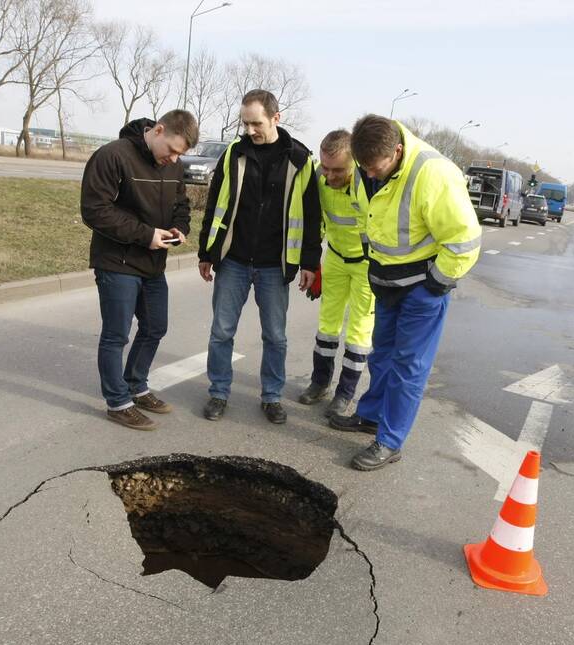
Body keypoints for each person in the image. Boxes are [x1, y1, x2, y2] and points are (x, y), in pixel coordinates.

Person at [329, 115, 480, 470]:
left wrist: (434, 285)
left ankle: (389, 441)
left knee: (408, 367)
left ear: (396, 151)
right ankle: (370, 416)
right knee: (381, 355)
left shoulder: (433, 174)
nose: (368, 175)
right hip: (385, 283)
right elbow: (370, 222)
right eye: (363, 167)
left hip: (421, 288)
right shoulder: (367, 169)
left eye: (374, 167)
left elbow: (464, 241)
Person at [197, 89, 321, 424]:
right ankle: (218, 392)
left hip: (273, 265)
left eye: (256, 123)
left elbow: (311, 217)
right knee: (222, 331)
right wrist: (207, 251)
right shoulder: (233, 154)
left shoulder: (300, 160)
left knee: (275, 336)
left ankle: (271, 397)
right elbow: (215, 204)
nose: (249, 130)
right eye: (245, 123)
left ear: (276, 118)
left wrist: (309, 262)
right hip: (233, 260)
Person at [80, 109, 198, 430]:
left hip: (152, 263)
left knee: (155, 326)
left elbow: (180, 205)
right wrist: (147, 235)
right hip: (116, 261)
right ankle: (117, 402)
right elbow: (94, 210)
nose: (174, 160)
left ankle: (136, 384)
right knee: (116, 335)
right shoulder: (112, 156)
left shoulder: (172, 166)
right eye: (172, 150)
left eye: (181, 155)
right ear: (158, 130)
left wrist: (178, 227)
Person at [298, 129, 374, 418]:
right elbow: (316, 220)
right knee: (327, 325)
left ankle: (345, 393)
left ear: (354, 162)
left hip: (367, 264)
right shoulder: (319, 177)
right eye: (325, 168)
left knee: (358, 332)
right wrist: (313, 262)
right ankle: (320, 383)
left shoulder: (367, 184)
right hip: (336, 260)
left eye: (337, 170)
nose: (329, 176)